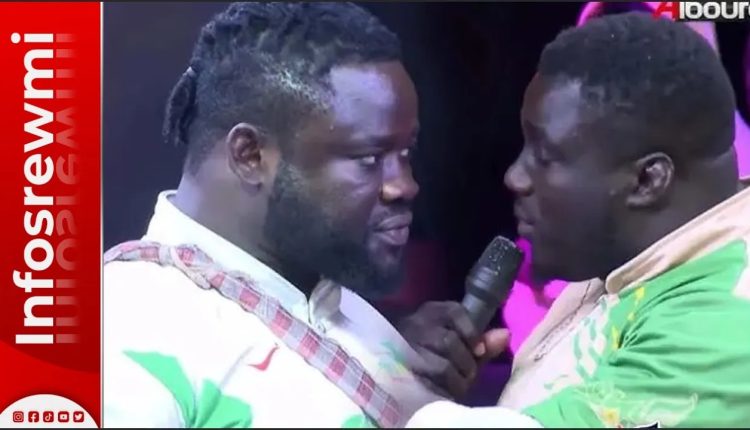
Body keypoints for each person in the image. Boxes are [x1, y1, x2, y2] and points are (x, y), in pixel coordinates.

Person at [102, 2, 507, 427]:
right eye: (369, 158)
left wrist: (400, 368)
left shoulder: (351, 315)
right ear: (250, 155)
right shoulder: (123, 329)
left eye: (406, 153)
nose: (404, 185)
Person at [407, 12, 750, 428]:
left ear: (647, 180)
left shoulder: (722, 327)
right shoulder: (634, 254)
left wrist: (382, 377)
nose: (514, 177)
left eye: (545, 156)